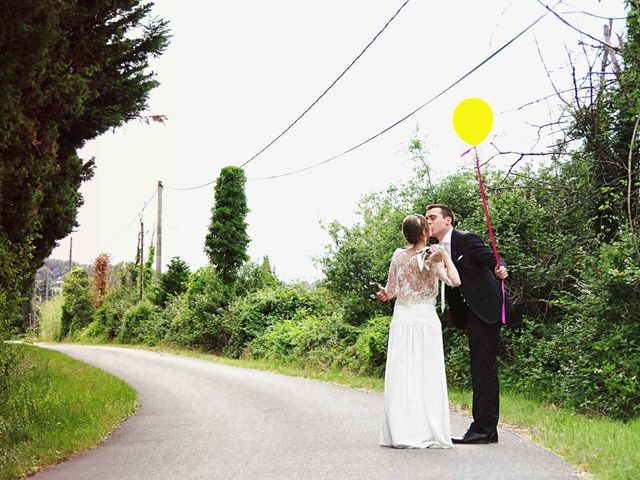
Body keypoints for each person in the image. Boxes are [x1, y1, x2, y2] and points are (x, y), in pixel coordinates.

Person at [425, 204, 511, 445]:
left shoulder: (466, 239)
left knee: (484, 370)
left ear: (448, 221)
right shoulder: (435, 249)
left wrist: (500, 268)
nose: (428, 221)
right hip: (470, 314)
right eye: (426, 218)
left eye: (432, 217)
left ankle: (482, 430)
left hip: (486, 310)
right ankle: (487, 430)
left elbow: (493, 258)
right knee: (481, 369)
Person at [376, 214, 460, 449]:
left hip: (402, 318)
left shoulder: (397, 255)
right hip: (424, 319)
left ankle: (400, 430)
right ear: (425, 233)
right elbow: (455, 281)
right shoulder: (431, 257)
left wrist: (385, 293)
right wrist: (444, 256)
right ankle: (426, 428)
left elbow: (391, 291)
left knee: (402, 373)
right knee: (426, 373)